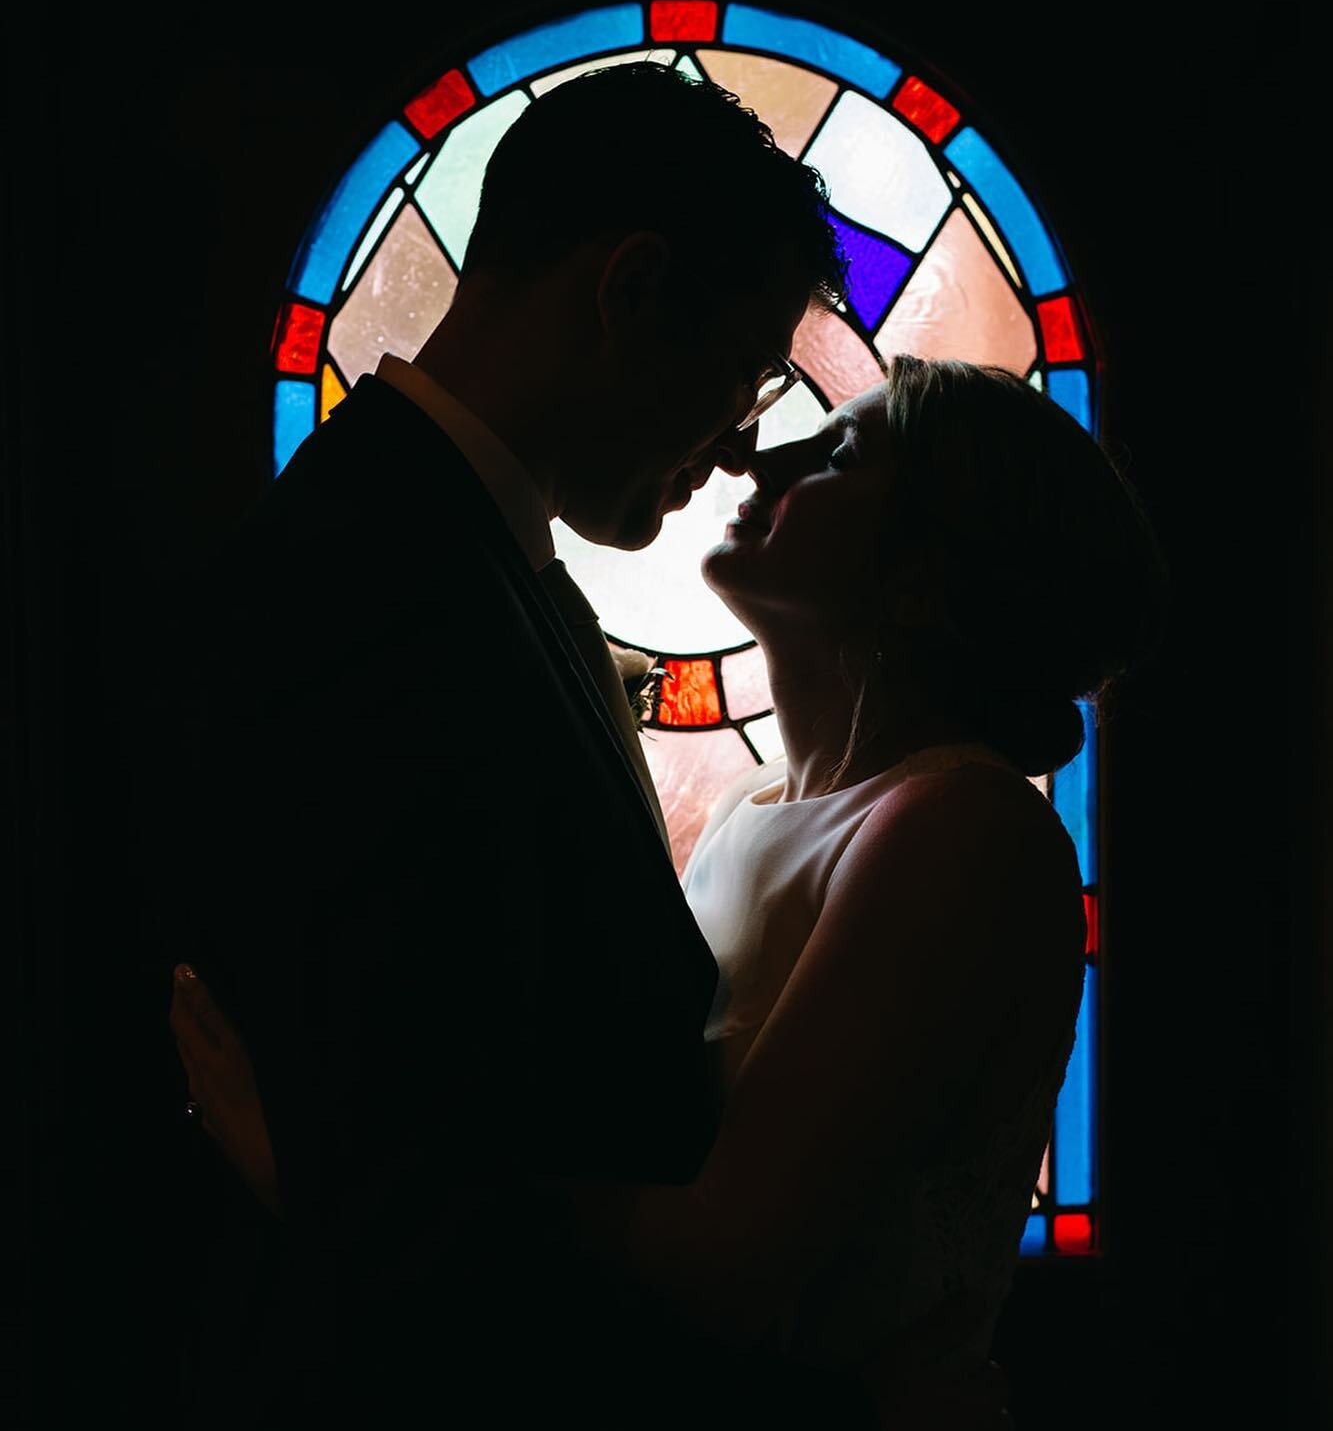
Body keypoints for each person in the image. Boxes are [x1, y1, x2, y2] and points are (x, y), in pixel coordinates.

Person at [151, 59, 1014, 1428]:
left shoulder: (473, 560)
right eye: (740, 374)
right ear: (629, 291)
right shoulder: (366, 582)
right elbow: (404, 1156)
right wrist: (323, 1179)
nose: (742, 451)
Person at [169, 348, 1170, 1420]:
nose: (763, 458)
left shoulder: (959, 830)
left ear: (921, 578)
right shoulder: (758, 806)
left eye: (838, 451)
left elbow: (722, 1257)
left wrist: (334, 1183)